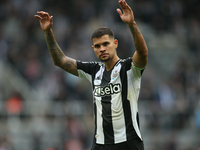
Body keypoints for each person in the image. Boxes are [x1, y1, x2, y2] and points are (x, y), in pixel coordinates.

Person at [35, 0, 148, 150]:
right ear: (93, 48)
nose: (102, 49)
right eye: (97, 46)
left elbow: (142, 53)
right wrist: (48, 33)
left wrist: (131, 24)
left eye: (105, 44)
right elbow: (60, 61)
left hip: (128, 143)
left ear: (115, 43)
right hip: (100, 144)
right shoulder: (93, 70)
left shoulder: (128, 68)